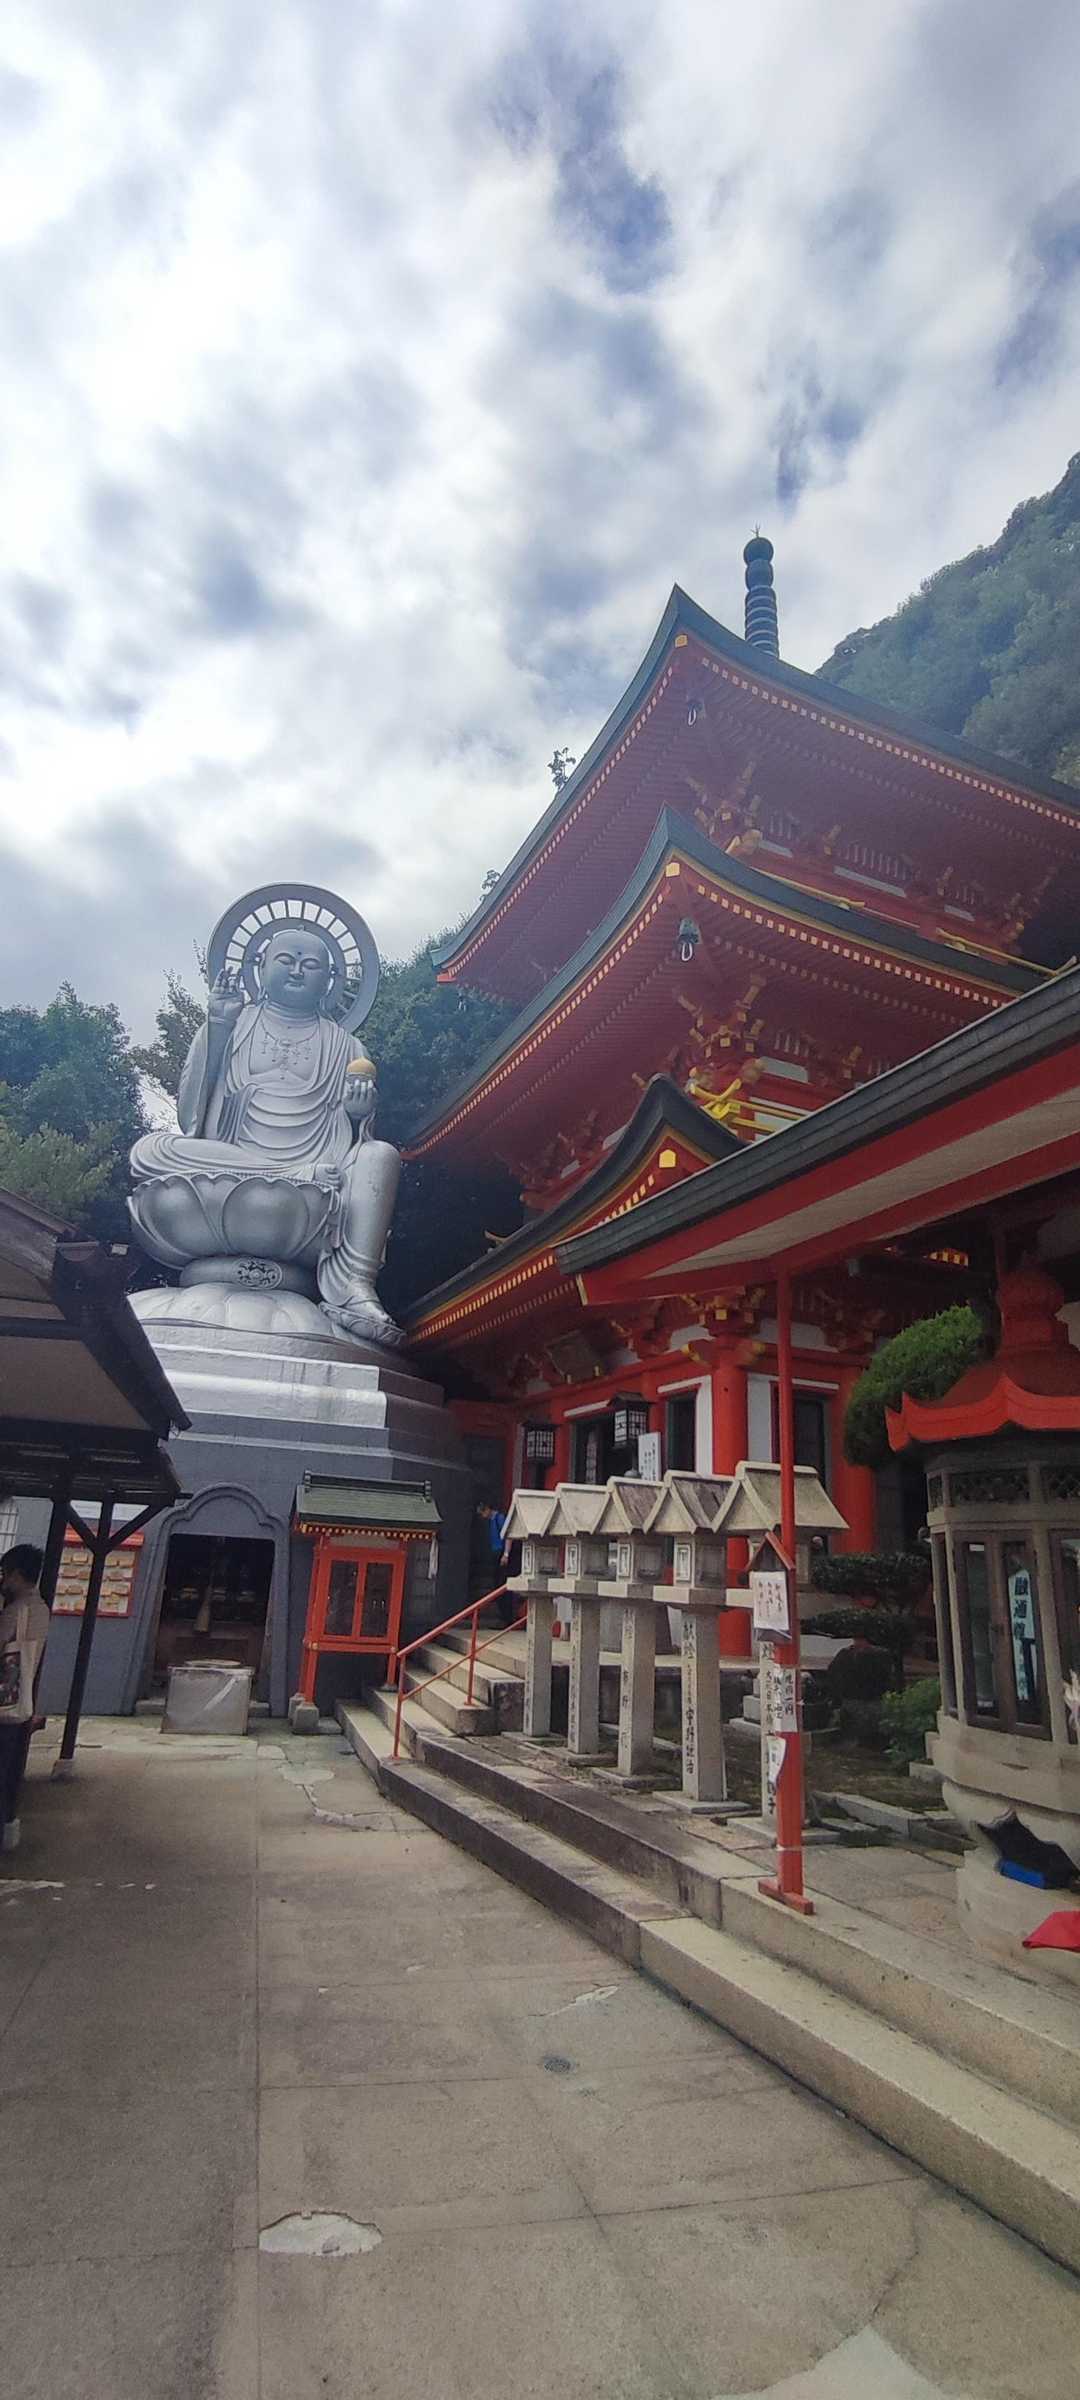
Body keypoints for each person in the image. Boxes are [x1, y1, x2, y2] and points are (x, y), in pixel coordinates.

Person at [0, 1544, 50, 1852]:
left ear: (18, 1574)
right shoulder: (41, 1608)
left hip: (3, 1707)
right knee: (6, 1773)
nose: (4, 1579)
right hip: (21, 1703)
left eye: (6, 1573)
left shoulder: (15, 1611)